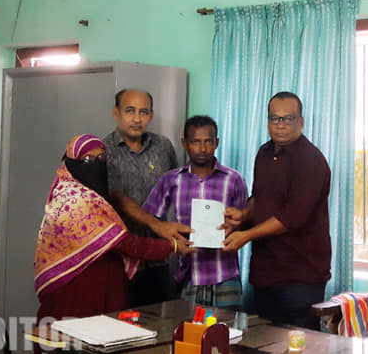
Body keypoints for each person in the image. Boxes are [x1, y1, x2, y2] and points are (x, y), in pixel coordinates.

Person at [33, 134, 181, 321]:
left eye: (101, 158)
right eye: (88, 160)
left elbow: (117, 199)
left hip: (107, 286)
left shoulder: (95, 193)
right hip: (77, 288)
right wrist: (173, 246)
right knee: (75, 335)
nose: (96, 164)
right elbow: (126, 243)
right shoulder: (74, 200)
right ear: (71, 163)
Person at [222, 92, 331, 330]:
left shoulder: (311, 161)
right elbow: (260, 198)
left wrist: (246, 235)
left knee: (298, 349)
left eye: (288, 118)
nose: (280, 125)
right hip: (264, 273)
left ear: (301, 122)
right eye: (275, 118)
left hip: (300, 277)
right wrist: (243, 216)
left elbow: (292, 217)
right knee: (259, 344)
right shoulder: (264, 153)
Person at [141, 116, 249, 309]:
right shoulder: (171, 180)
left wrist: (235, 228)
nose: (202, 148)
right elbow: (149, 217)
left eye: (208, 141)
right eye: (196, 142)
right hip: (187, 273)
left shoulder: (233, 179)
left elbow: (244, 221)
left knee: (227, 326)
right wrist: (172, 240)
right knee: (187, 326)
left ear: (216, 143)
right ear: (185, 143)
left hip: (225, 272)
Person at [103, 89, 189, 307]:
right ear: (116, 113)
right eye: (130, 111)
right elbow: (117, 198)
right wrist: (157, 225)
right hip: (123, 259)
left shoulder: (163, 147)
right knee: (123, 322)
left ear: (151, 115)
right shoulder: (104, 151)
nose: (137, 118)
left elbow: (178, 187)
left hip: (163, 256)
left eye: (143, 112)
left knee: (164, 320)